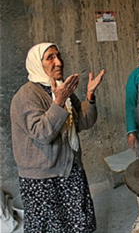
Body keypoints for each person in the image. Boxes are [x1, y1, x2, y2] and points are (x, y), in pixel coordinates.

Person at [10, 42, 105, 232]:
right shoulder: (27, 95)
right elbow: (42, 133)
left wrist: (90, 96)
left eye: (58, 56)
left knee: (78, 223)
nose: (59, 62)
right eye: (50, 58)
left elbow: (83, 122)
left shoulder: (62, 88)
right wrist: (59, 101)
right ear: (37, 64)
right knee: (51, 227)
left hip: (69, 168)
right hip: (44, 178)